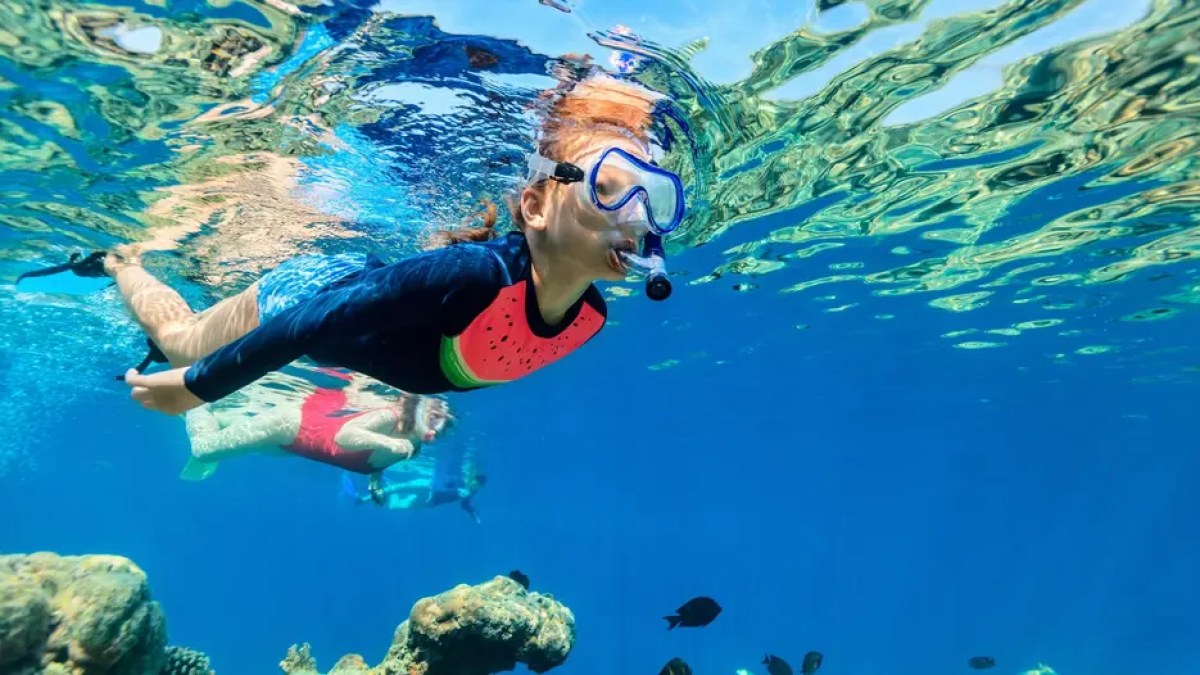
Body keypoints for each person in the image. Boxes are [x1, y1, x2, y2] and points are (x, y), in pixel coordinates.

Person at [33, 72, 687, 415]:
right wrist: (198, 388)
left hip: (353, 328)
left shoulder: (592, 317)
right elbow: (317, 318)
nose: (637, 216)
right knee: (179, 342)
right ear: (538, 203)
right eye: (612, 186)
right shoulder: (469, 274)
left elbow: (440, 346)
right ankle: (123, 261)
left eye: (654, 198)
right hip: (311, 291)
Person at [179, 363, 454, 482]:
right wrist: (390, 444)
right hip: (288, 427)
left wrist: (376, 482)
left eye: (442, 425)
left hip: (295, 443)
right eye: (434, 419)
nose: (436, 429)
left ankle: (220, 418)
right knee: (204, 449)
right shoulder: (390, 418)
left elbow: (379, 459)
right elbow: (345, 437)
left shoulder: (412, 446)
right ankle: (195, 404)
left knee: (242, 437)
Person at [340, 443, 486, 523]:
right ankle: (364, 498)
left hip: (430, 502)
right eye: (473, 481)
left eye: (476, 485)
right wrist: (454, 488)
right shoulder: (459, 479)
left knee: (394, 507)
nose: (473, 485)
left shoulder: (471, 490)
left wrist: (474, 514)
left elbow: (465, 504)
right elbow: (446, 483)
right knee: (407, 486)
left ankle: (383, 485)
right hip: (428, 488)